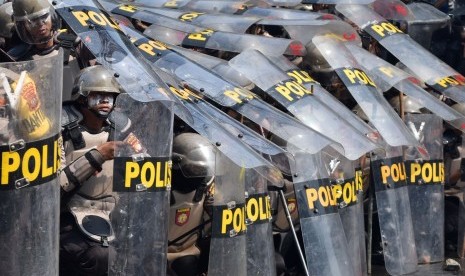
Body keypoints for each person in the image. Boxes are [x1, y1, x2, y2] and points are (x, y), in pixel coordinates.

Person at [59, 65, 126, 276]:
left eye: (110, 97)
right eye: (99, 96)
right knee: (101, 257)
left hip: (113, 217)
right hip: (67, 219)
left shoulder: (123, 129)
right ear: (82, 97)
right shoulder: (59, 130)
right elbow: (52, 189)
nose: (106, 102)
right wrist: (97, 156)